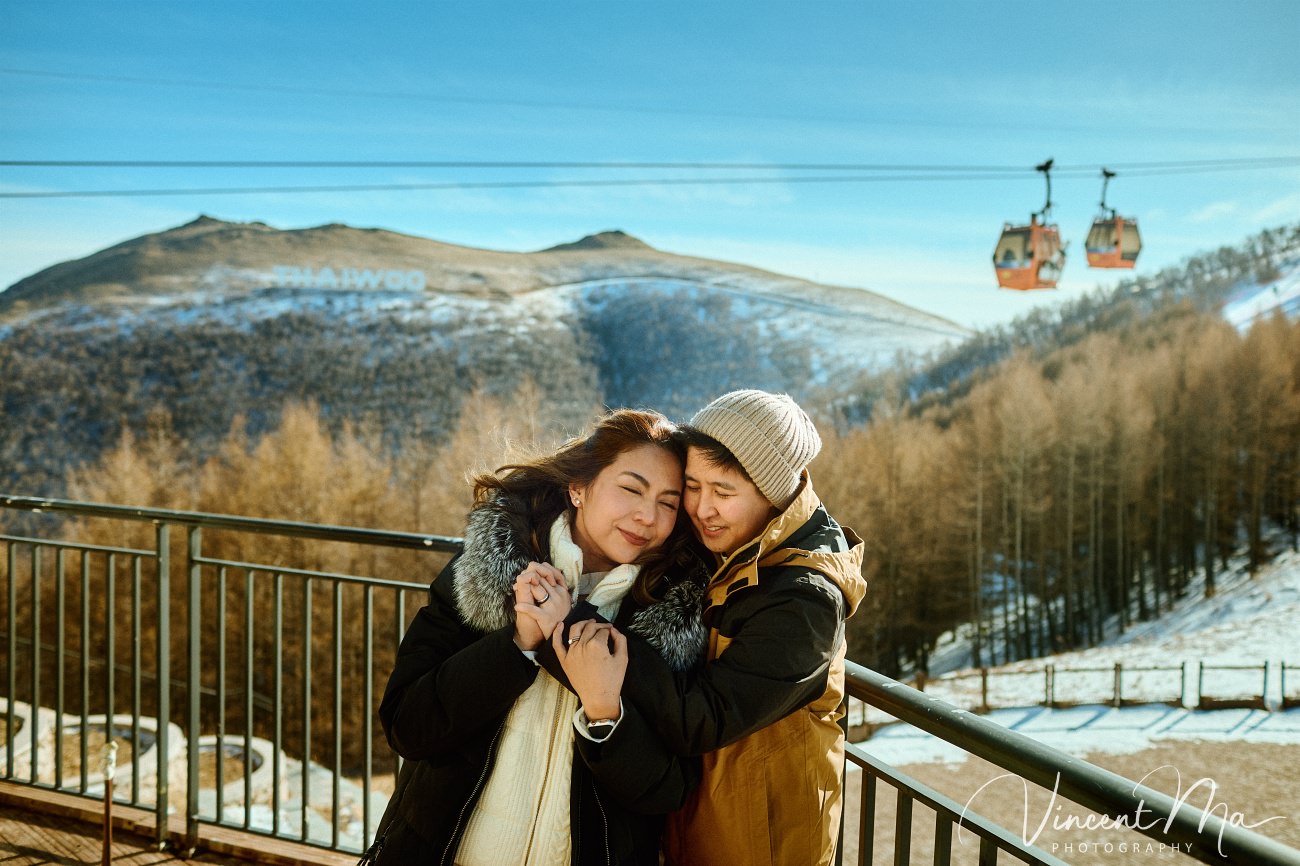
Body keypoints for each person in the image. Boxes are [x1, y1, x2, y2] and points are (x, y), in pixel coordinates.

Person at [364, 409, 711, 866]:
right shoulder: (484, 573)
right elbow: (407, 726)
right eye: (631, 488)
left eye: (668, 503)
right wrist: (518, 644)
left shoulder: (673, 620)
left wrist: (605, 711)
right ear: (579, 488)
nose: (647, 516)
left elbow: (668, 790)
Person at [548, 389, 867, 866]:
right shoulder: (731, 546)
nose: (702, 508)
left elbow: (702, 720)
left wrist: (572, 623)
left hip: (759, 841)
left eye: (723, 491)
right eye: (693, 486)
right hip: (695, 825)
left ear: (773, 493)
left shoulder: (804, 599)